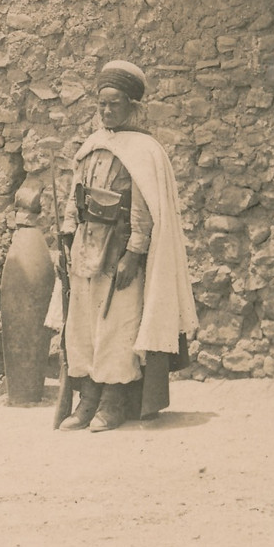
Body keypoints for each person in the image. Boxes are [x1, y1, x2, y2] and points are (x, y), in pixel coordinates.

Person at [57, 60, 198, 432]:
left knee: (118, 328)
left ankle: (112, 403)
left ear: (132, 106)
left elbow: (144, 211)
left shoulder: (145, 151)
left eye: (114, 104)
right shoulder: (91, 145)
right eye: (101, 104)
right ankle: (87, 400)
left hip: (118, 253)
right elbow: (75, 196)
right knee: (84, 328)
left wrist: (133, 255)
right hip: (85, 253)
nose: (106, 111)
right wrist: (69, 233)